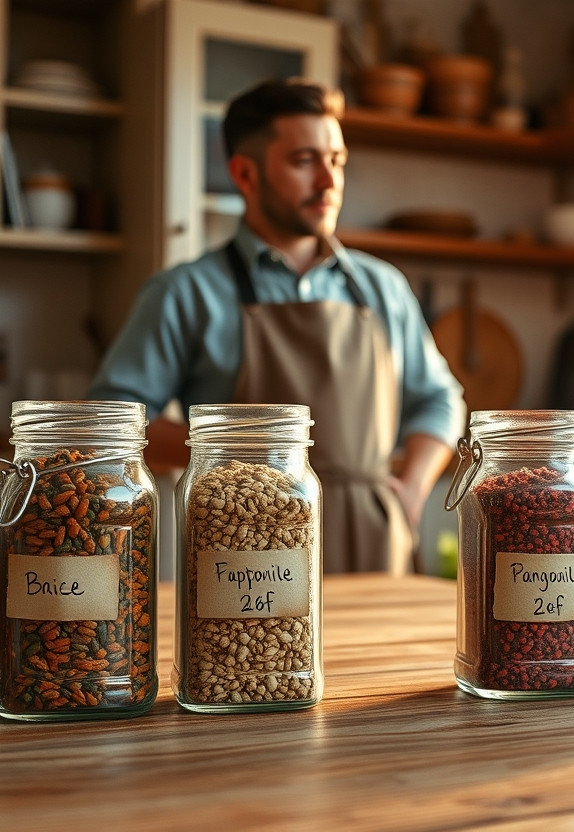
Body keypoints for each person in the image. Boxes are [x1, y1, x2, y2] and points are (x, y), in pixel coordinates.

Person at [89, 79, 465, 574]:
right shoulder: (185, 292)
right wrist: (228, 459)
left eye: (337, 160)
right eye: (305, 161)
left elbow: (440, 398)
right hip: (245, 546)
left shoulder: (383, 288)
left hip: (375, 545)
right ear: (245, 174)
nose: (329, 182)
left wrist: (413, 489)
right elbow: (111, 423)